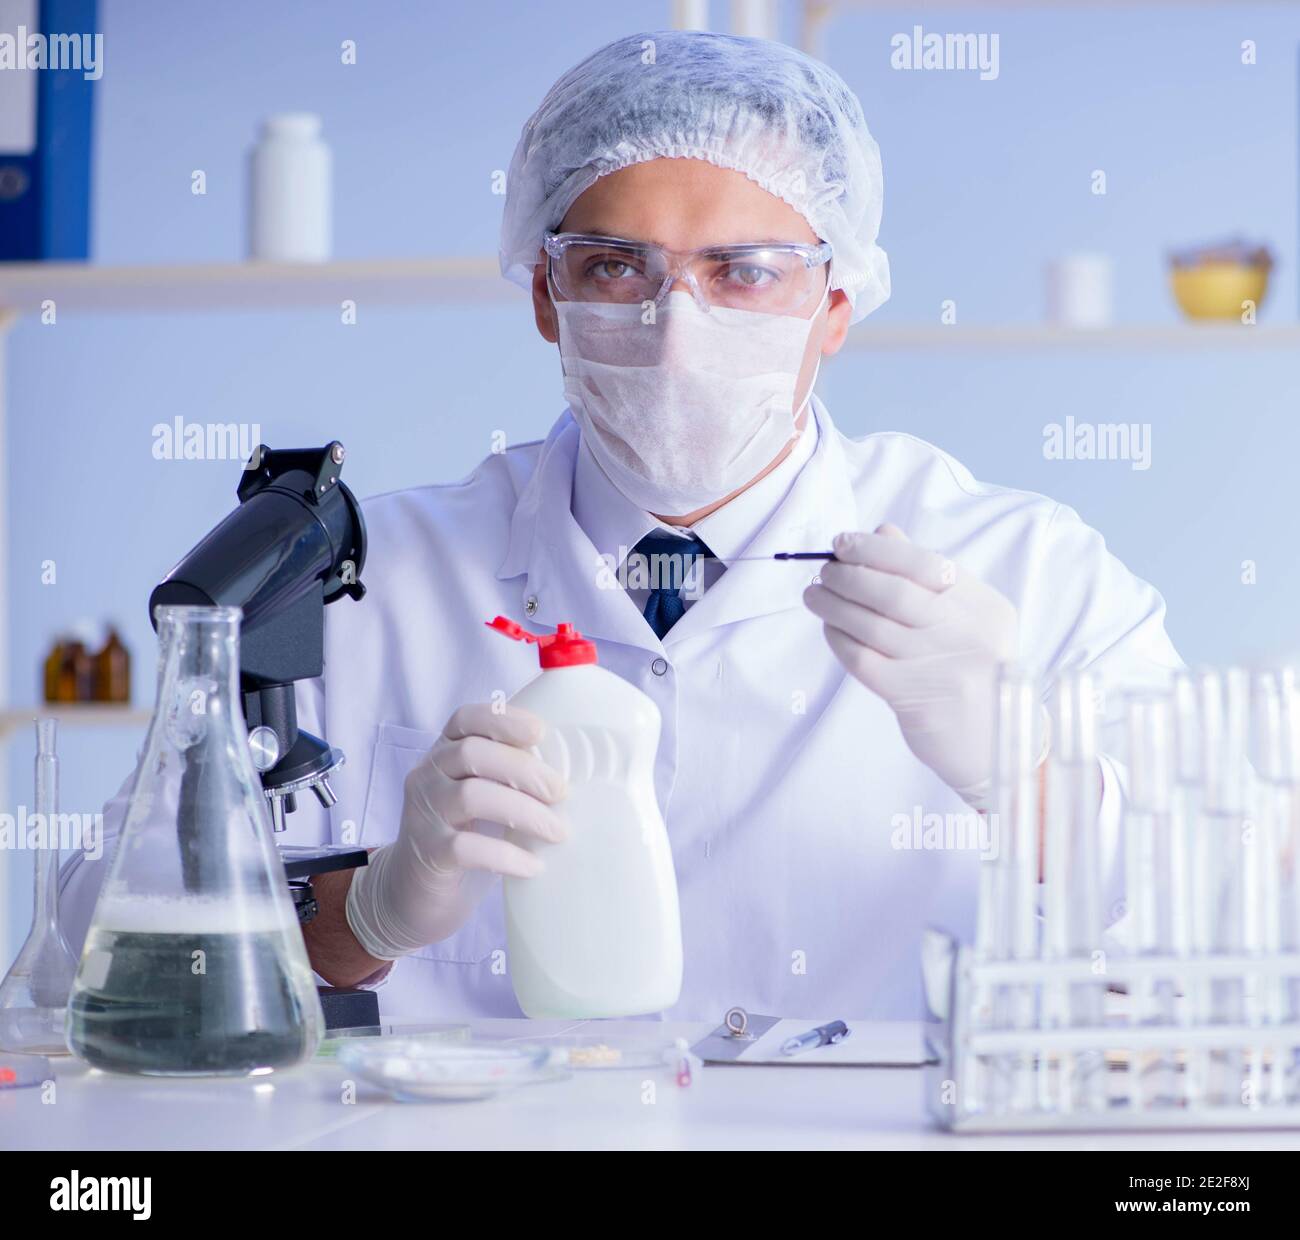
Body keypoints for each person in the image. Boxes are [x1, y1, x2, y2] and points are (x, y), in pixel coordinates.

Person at [61, 30, 1180, 1022]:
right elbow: (85, 952)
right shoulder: (365, 578)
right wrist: (371, 910)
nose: (674, 323)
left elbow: (1225, 940)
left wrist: (1025, 769)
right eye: (613, 265)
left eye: (744, 272)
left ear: (834, 308)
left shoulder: (1028, 572)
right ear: (544, 292)